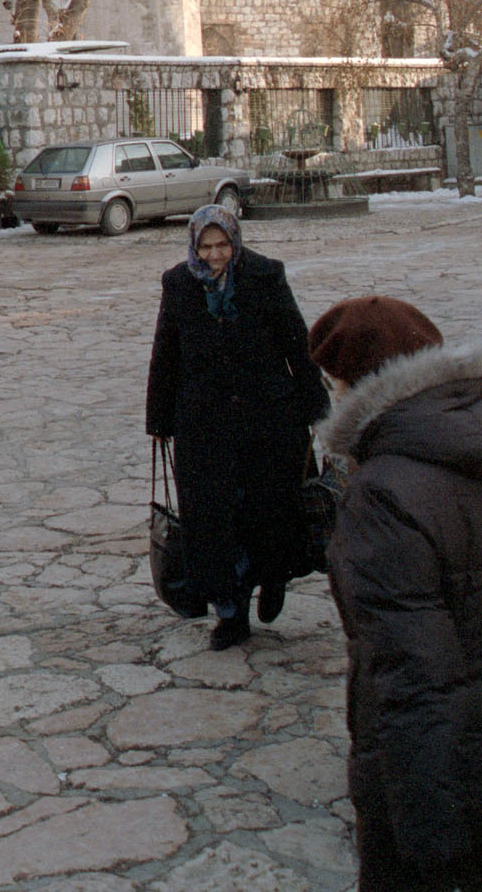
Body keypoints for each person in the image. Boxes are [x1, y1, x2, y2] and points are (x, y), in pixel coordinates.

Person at [309, 296, 482, 892]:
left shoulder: (383, 494)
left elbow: (412, 676)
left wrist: (426, 836)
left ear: (357, 385)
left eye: (333, 384)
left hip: (446, 779)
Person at [145, 203, 328, 649]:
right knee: (214, 522)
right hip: (204, 424)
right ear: (194, 247)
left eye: (222, 245)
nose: (214, 255)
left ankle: (273, 578)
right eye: (205, 247)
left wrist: (315, 406)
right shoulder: (178, 283)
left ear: (235, 241)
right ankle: (230, 612)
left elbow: (296, 341)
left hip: (268, 419)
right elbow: (166, 352)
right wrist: (159, 418)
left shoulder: (265, 275)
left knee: (268, 512)